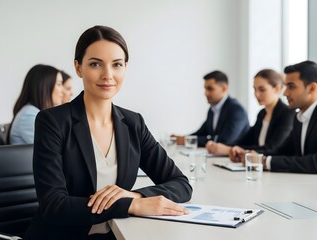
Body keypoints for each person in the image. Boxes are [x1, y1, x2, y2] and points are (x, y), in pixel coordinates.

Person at [24, 25, 192, 240]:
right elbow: (54, 205)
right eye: (95, 64)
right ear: (78, 67)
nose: (108, 75)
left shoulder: (133, 123)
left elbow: (180, 183)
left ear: (125, 68)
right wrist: (130, 205)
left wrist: (136, 195)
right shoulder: (52, 122)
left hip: (116, 234)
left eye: (117, 65)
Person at [232, 61, 317, 174]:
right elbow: (283, 151)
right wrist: (251, 156)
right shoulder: (298, 117)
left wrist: (265, 161)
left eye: (291, 86)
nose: (285, 93)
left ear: (312, 88)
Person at [207, 69, 295, 155]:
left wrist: (229, 150)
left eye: (262, 89)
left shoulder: (287, 114)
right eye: (255, 89)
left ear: (277, 89)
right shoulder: (262, 114)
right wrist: (222, 147)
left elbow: (272, 148)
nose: (256, 94)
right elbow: (245, 140)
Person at [175, 70, 250, 147]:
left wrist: (187, 140)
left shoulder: (236, 110)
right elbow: (201, 132)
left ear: (224, 88)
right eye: (205, 89)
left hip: (235, 158)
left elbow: (224, 140)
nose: (205, 93)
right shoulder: (212, 110)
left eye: (210, 89)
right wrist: (183, 138)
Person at [9, 64, 63, 144]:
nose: (63, 90)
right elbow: (55, 147)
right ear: (44, 86)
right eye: (59, 84)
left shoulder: (33, 113)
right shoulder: (28, 116)